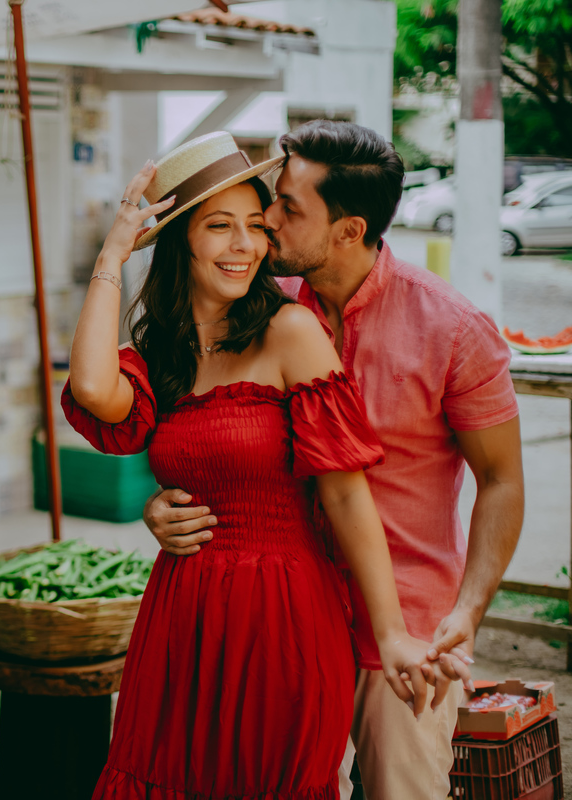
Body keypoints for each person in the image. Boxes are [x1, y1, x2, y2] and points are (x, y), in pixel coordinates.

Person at [141, 121, 524, 800]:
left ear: (348, 231)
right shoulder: (260, 304)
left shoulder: (454, 329)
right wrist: (166, 500)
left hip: (403, 632)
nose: (267, 219)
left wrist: (467, 611)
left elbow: (501, 480)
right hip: (281, 618)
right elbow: (203, 421)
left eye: (289, 209)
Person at [63, 131, 443, 800]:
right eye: (219, 227)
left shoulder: (290, 332)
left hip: (284, 614)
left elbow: (347, 498)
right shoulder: (164, 354)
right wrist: (113, 253)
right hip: (183, 619)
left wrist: (391, 636)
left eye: (254, 227)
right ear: (182, 239)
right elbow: (94, 390)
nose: (244, 245)